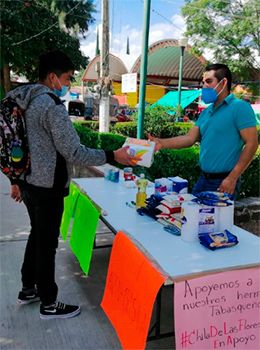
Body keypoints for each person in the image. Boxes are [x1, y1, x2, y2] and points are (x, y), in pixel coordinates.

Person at [8, 50, 139, 320]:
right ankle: (49, 302)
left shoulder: (25, 99)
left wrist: (15, 179)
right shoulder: (50, 106)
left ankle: (28, 287)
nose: (68, 83)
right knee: (46, 244)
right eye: (67, 78)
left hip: (29, 181)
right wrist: (114, 155)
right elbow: (74, 152)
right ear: (53, 77)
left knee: (37, 234)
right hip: (47, 186)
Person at [149, 64, 258, 198]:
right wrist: (161, 143)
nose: (204, 86)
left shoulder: (240, 107)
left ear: (223, 83)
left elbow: (252, 144)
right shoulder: (206, 112)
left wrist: (232, 178)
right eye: (203, 82)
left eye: (209, 81)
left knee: (215, 219)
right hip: (203, 179)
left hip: (224, 181)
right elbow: (189, 138)